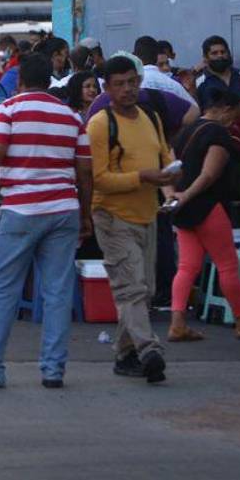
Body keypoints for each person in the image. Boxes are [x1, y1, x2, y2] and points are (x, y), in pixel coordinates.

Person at [0, 54, 92, 389]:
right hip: (63, 210)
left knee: (1, 290)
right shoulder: (72, 117)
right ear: (49, 80)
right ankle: (53, 370)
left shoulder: (10, 109)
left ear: (20, 81)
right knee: (57, 292)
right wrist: (85, 213)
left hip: (20, 210)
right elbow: (86, 171)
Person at [87, 55, 179, 383]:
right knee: (131, 289)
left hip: (148, 215)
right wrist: (142, 177)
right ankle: (148, 349)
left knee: (146, 289)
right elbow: (99, 179)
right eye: (120, 84)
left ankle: (125, 355)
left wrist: (169, 190)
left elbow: (165, 161)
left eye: (132, 82)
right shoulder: (100, 124)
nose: (127, 89)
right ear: (108, 89)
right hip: (112, 217)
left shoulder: (151, 117)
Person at [166, 89, 240, 341]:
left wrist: (174, 195)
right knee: (227, 264)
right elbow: (209, 175)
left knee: (186, 266)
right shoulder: (217, 134)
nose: (233, 123)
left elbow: (168, 168)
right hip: (207, 206)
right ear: (225, 109)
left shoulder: (184, 132)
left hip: (183, 210)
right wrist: (188, 195)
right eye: (233, 117)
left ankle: (177, 323)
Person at [135, 36, 196, 107]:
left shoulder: (133, 85)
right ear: (156, 56)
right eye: (161, 64)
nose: (166, 68)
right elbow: (194, 110)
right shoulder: (173, 85)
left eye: (167, 63)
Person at [196, 35, 240, 109]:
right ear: (205, 57)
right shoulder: (200, 82)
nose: (220, 56)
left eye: (223, 52)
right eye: (214, 53)